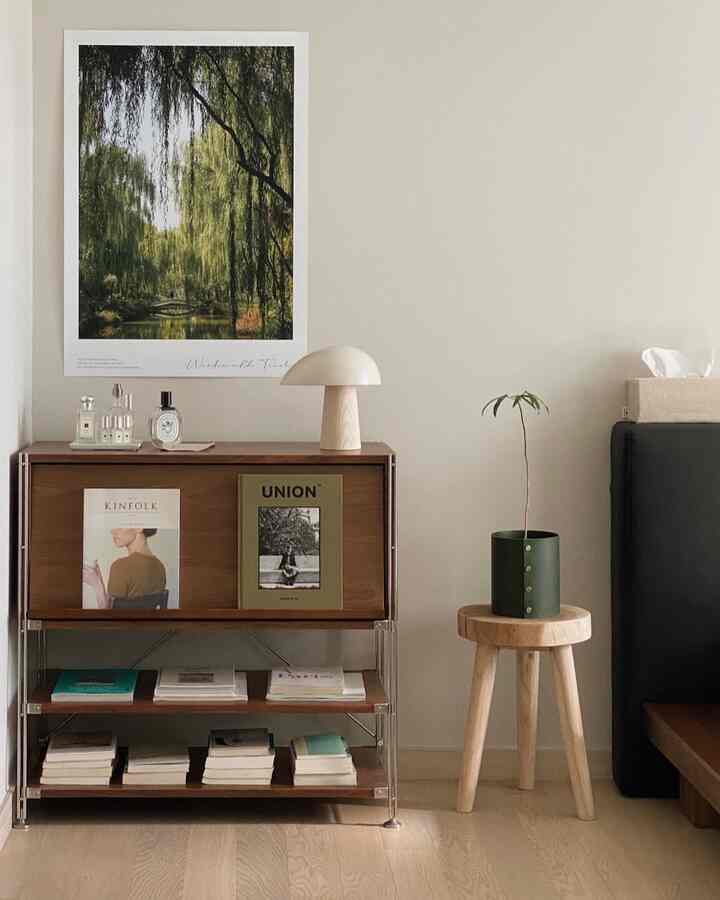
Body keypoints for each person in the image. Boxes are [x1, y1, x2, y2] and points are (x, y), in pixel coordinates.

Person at [82, 528, 167, 609]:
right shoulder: (160, 566)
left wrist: (96, 584)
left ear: (139, 527)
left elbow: (107, 614)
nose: (112, 531)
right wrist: (98, 576)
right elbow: (115, 604)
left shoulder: (120, 566)